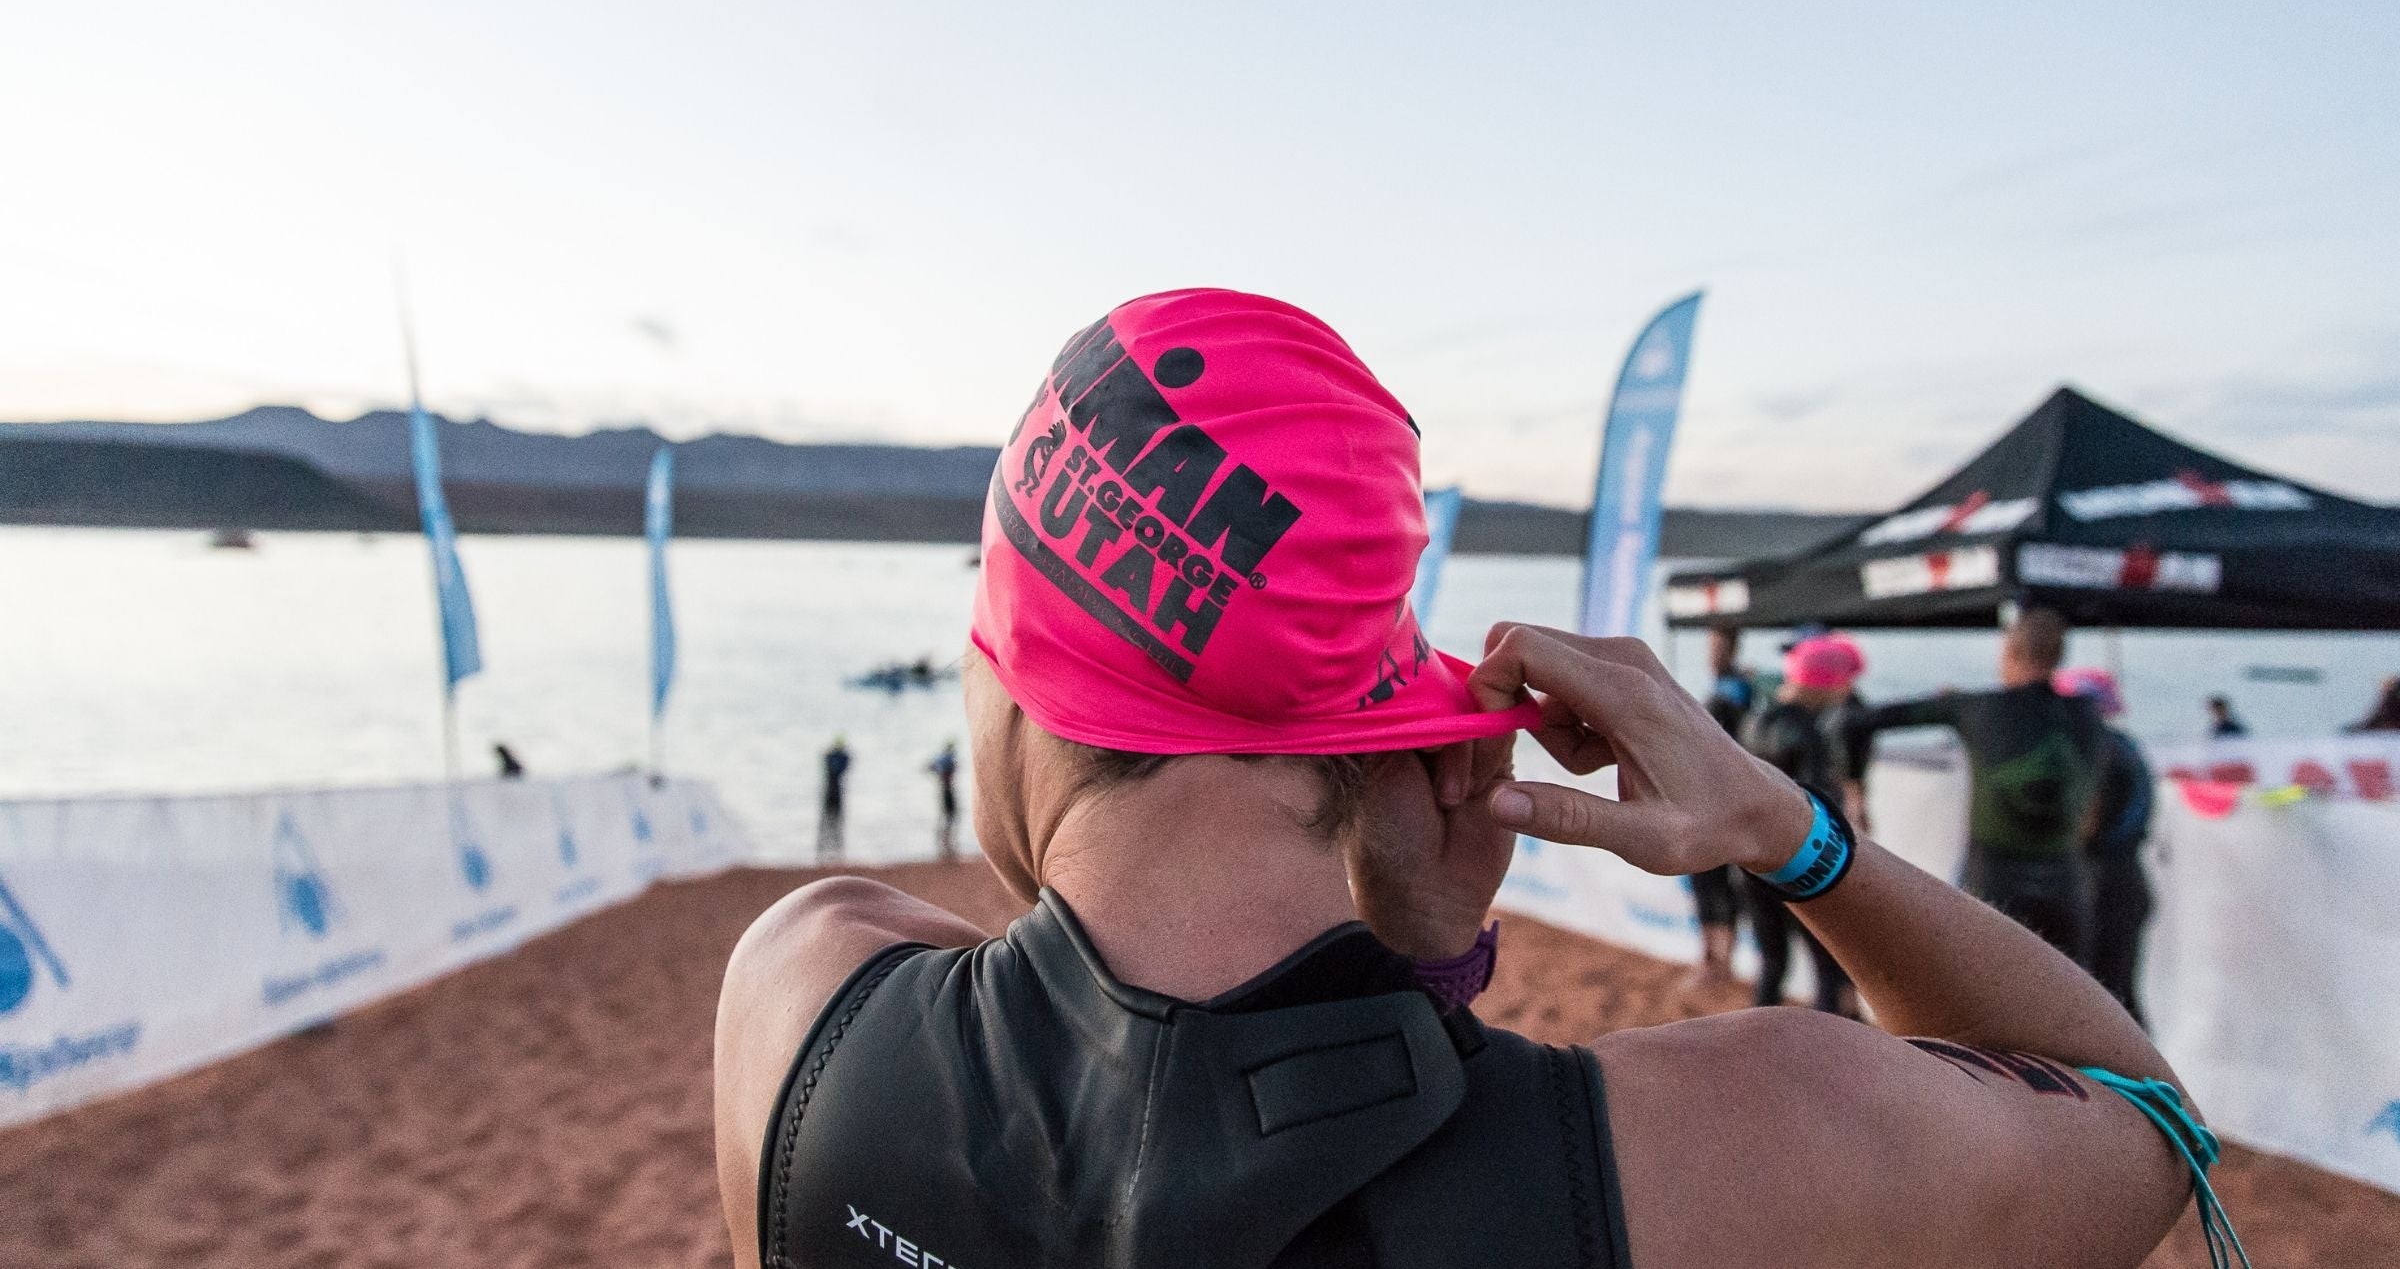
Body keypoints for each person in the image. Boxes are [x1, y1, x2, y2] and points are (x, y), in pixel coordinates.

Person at [714, 290, 2202, 1269]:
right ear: (1366, 733)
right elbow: (2151, 1133)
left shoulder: (800, 1005)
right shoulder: (1738, 1152)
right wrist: (1791, 835)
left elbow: (1111, 1049)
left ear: (1020, 677)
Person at [1853, 608, 2107, 965]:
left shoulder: (1976, 707)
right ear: (2059, 656)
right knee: (2075, 1008)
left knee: (1977, 999)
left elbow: (1856, 722)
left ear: (2009, 653)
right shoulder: (2088, 714)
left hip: (1994, 880)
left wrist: (1855, 790)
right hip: (2066, 882)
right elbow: (2100, 792)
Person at [1736, 634, 1863, 1016]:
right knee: (1827, 967)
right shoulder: (1810, 733)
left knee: (1772, 962)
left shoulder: (1754, 720)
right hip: (1799, 866)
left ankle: (1756, 1050)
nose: (1846, 693)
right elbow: (1822, 813)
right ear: (1825, 682)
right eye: (1842, 682)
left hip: (1749, 859)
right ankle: (1825, 1058)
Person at [2057, 668, 2154, 1027]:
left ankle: (2127, 1080)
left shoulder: (2097, 752)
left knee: (2106, 1002)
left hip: (2104, 887)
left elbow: (2086, 824)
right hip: (2124, 882)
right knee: (2117, 997)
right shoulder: (2123, 746)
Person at [1687, 626, 1752, 986]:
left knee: (1718, 883)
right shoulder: (1729, 688)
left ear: (1732, 648)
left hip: (1722, 801)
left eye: (1718, 646)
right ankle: (1710, 959)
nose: (1712, 653)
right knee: (1703, 881)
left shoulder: (1736, 690)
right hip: (1703, 799)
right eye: (1710, 645)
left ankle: (1722, 963)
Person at [818, 736, 852, 859]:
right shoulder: (833, 757)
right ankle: (824, 852)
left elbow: (841, 766)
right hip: (831, 792)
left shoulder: (837, 758)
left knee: (835, 823)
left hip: (834, 792)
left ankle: (837, 852)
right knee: (828, 823)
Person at [928, 740, 961, 860]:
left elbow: (930, 766)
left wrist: (938, 775)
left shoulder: (942, 758)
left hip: (944, 790)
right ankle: (946, 843)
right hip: (947, 791)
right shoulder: (948, 758)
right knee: (950, 816)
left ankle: (943, 843)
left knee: (946, 816)